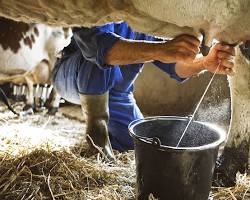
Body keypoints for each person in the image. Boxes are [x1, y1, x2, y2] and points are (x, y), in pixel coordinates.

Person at [52, 21, 235, 159]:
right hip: (72, 76)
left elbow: (176, 66)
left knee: (140, 146)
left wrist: (204, 63)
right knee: (99, 58)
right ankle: (96, 137)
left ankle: (112, 137)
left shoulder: (148, 20)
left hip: (118, 95)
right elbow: (99, 48)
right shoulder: (101, 8)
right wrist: (162, 49)